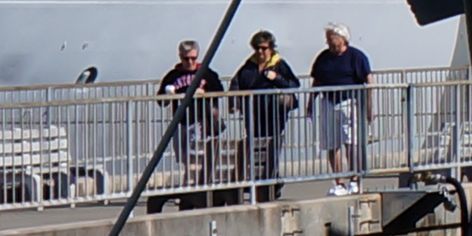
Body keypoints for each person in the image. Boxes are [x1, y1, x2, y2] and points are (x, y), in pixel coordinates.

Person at [230, 30, 302, 186]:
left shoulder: (279, 64)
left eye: (264, 48)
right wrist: (234, 102)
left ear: (271, 48)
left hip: (274, 112)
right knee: (254, 144)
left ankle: (270, 177)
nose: (260, 52)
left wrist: (277, 78)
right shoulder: (249, 65)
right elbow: (236, 82)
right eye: (257, 48)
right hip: (253, 111)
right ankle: (256, 178)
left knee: (271, 144)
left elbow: (294, 85)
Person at [310, 23, 376, 180]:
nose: (327, 42)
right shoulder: (323, 57)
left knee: (351, 142)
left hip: (349, 102)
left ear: (342, 39)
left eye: (330, 38)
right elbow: (316, 81)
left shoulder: (356, 56)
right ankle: (338, 180)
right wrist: (310, 103)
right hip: (328, 102)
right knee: (332, 144)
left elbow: (368, 80)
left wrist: (368, 107)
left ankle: (354, 177)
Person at [158, 39, 224, 193]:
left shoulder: (206, 73)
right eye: (185, 58)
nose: (190, 62)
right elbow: (160, 101)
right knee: (182, 156)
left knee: (192, 155)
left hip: (200, 119)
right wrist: (169, 95)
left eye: (193, 58)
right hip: (180, 121)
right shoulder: (173, 75)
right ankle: (190, 185)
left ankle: (189, 186)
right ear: (180, 56)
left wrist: (204, 92)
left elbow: (219, 91)